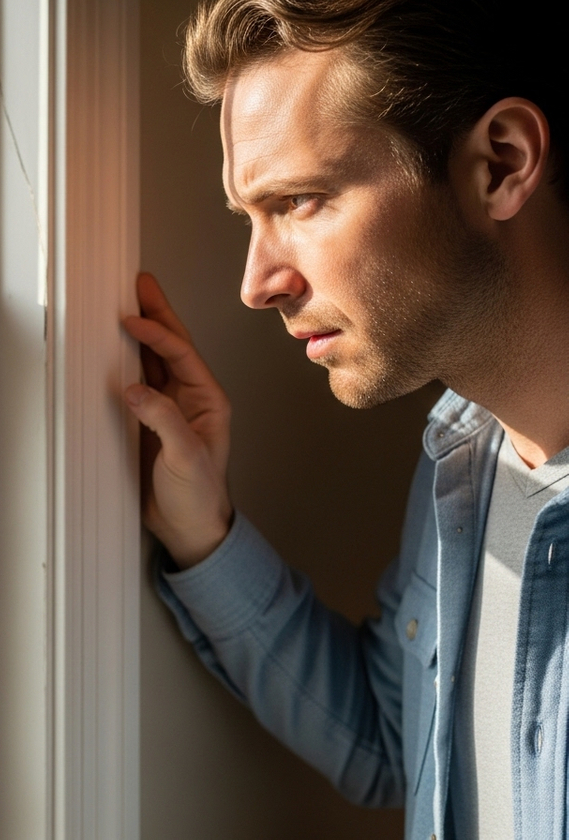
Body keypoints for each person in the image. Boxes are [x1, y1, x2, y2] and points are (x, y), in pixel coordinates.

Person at [121, 1, 568, 838]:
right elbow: (398, 746)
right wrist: (203, 532)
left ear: (501, 165)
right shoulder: (458, 461)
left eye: (298, 201)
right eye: (248, 216)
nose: (257, 284)